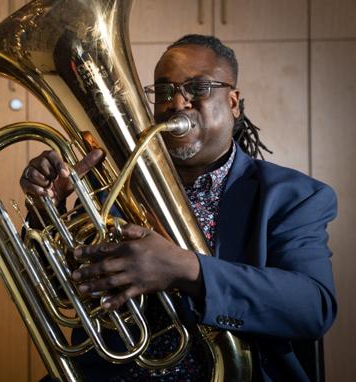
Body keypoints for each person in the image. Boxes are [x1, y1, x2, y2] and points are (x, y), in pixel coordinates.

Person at [20, 35, 337, 381]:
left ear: (233, 103)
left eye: (198, 88)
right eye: (165, 91)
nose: (178, 103)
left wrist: (187, 269)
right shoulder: (110, 186)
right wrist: (46, 209)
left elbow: (312, 307)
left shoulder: (294, 196)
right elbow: (61, 290)